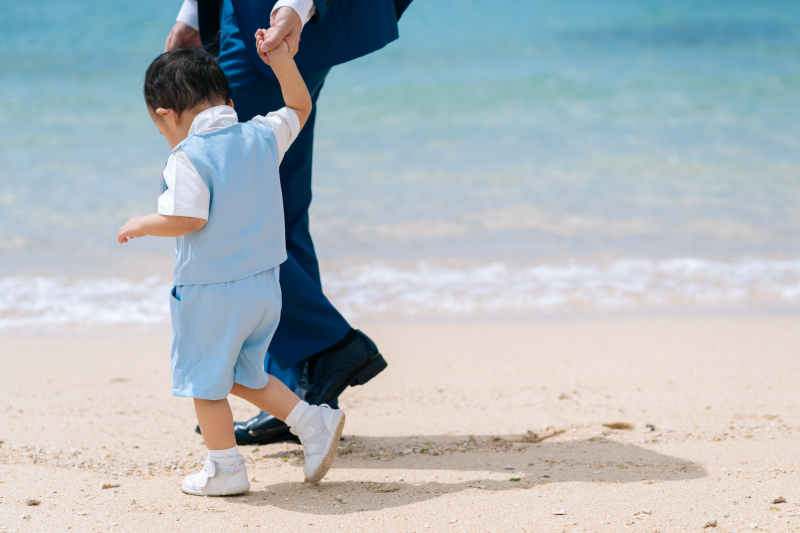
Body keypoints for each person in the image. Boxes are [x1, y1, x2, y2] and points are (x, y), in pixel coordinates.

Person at [164, 0, 412, 445]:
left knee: (207, 191)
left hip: (277, 18)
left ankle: (330, 348)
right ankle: (305, 396)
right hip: (249, 14)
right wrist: (191, 14)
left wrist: (295, 7)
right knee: (278, 205)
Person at [117, 39, 345, 495]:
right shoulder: (261, 134)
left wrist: (142, 222)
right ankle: (313, 421)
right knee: (245, 375)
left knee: (206, 383)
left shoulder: (187, 157)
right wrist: (281, 60)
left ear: (165, 115)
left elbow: (188, 218)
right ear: (230, 101)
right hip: (265, 287)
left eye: (162, 129)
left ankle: (225, 468)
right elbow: (300, 106)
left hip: (213, 291)